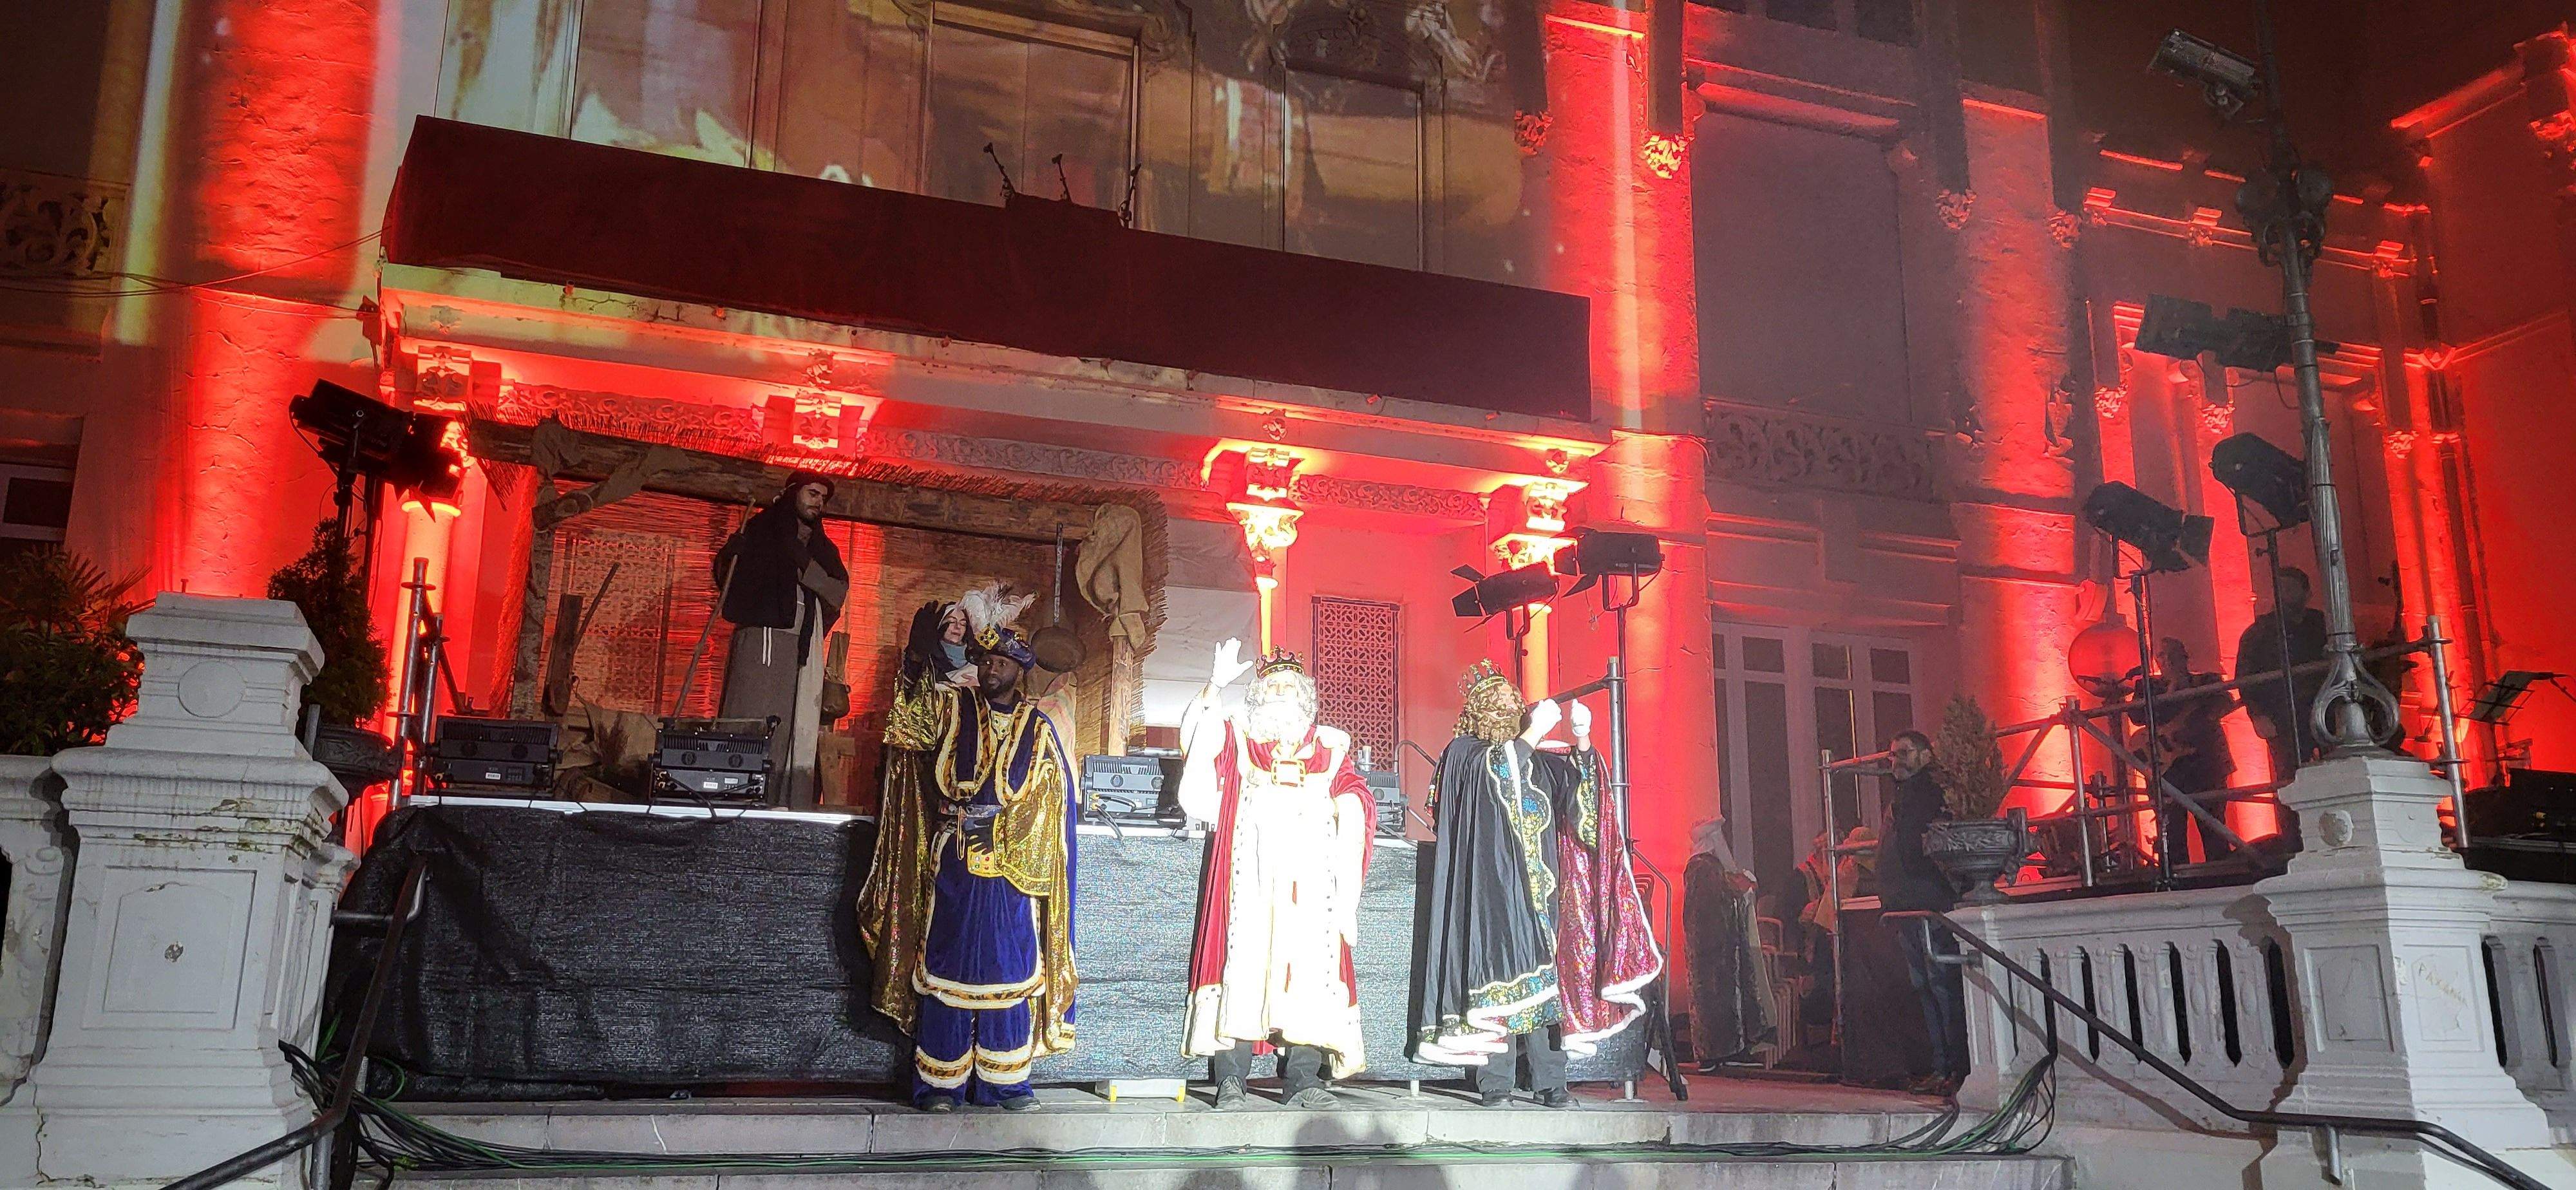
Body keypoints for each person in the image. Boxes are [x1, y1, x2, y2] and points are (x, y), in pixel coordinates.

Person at [893, 584, 1079, 1112]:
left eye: (1001, 661)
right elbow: (908, 730)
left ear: (1020, 670)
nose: (991, 668)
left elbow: (1051, 803)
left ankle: (1005, 1082)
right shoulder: (954, 710)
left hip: (1011, 867)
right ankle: (940, 1084)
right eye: (985, 660)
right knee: (948, 972)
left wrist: (1002, 833)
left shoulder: (1041, 728)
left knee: (1008, 970)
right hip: (954, 858)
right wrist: (914, 663)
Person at [1175, 640, 1374, 1109]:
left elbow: (1358, 795)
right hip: (1251, 878)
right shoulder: (1240, 735)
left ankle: (1304, 1080)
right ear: (1258, 696)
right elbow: (1196, 745)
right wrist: (1216, 685)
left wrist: (1345, 804)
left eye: (1290, 687)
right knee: (1244, 967)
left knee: (1308, 972)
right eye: (1272, 687)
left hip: (1310, 883)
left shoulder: (1330, 746)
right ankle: (1231, 1080)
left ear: (1304, 697)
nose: (1280, 694)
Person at [1410, 662, 1582, 1108]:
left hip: (1540, 892)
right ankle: (1497, 1084)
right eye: (1494, 703)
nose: (1505, 708)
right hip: (1491, 893)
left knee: (1546, 987)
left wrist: (1582, 742)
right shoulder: (1465, 752)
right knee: (1496, 986)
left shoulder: (1536, 758)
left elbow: (1579, 799)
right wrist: (1530, 737)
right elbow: (1495, 774)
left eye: (1511, 702)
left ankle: (1551, 1083)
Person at [857, 598, 978, 1035]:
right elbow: (908, 724)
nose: (957, 627)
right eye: (950, 621)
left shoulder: (984, 671)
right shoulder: (922, 667)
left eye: (963, 622)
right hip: (926, 782)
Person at [712, 471, 849, 809]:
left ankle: (780, 804)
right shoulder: (761, 532)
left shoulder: (822, 548)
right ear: (793, 494)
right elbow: (729, 580)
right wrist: (730, 556)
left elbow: (837, 590)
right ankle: (737, 799)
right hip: (763, 638)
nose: (818, 502)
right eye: (812, 494)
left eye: (823, 497)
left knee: (790, 730)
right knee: (755, 722)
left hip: (800, 649)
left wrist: (805, 566)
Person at [1540, 701, 1664, 1058]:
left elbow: (1590, 820)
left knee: (1570, 960)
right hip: (1534, 879)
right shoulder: (1518, 762)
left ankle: (1554, 1068)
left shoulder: (1569, 768)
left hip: (1564, 881)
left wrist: (1583, 742)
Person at [1878, 730, 1966, 1097]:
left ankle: (1955, 1068)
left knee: (1941, 984)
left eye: (1903, 753)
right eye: (1892, 755)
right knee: (1927, 986)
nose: (1895, 761)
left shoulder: (1932, 793)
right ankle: (1941, 1065)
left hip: (1928, 900)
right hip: (1908, 904)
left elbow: (1927, 848)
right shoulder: (1905, 796)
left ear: (1926, 755)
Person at [1683, 815, 1772, 1072]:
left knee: (1716, 999)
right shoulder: (1706, 868)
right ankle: (1716, 1053)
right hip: (1716, 949)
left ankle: (1729, 1051)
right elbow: (1735, 888)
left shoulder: (1698, 867)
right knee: (1716, 1000)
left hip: (1711, 947)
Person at [2235, 565, 2329, 786]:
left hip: (2322, 707)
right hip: (2282, 713)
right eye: (2281, 588)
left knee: (2331, 766)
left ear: (2307, 593)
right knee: (2289, 776)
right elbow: (2245, 677)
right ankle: (2292, 820)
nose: (2285, 594)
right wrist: (2257, 714)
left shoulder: (2320, 623)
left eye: (2291, 588)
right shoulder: (2260, 631)